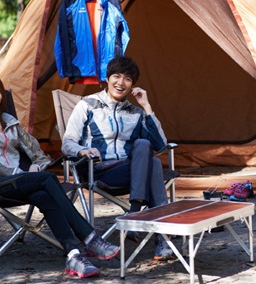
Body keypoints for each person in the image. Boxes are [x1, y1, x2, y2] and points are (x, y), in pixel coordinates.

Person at [0, 70, 118, 278]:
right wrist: (19, 172)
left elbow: (35, 150)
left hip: (20, 181)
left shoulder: (8, 121)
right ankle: (90, 237)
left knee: (44, 193)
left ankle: (74, 255)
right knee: (49, 180)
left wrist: (38, 166)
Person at [61, 55, 175, 261]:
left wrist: (147, 107)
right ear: (107, 78)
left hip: (129, 171)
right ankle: (162, 238)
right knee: (154, 165)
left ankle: (134, 214)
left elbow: (160, 145)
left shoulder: (136, 112)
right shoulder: (87, 105)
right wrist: (81, 151)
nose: (121, 83)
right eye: (116, 76)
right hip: (99, 170)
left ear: (133, 85)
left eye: (128, 79)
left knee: (146, 148)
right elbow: (67, 142)